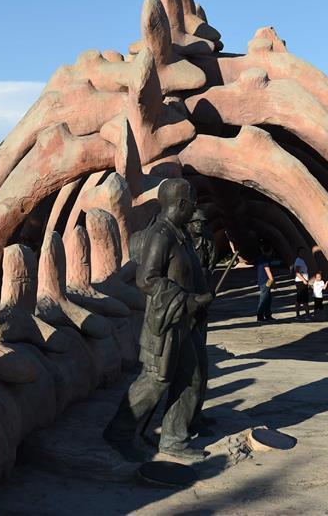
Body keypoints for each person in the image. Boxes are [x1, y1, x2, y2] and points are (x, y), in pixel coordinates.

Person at [104, 179, 213, 462]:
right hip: (165, 322)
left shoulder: (180, 234)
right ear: (181, 204)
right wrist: (186, 300)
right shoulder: (161, 235)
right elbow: (147, 279)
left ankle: (174, 439)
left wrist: (199, 299)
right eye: (192, 204)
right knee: (155, 380)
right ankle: (119, 433)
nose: (194, 210)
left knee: (190, 377)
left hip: (183, 321)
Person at [186, 208, 216, 436]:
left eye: (202, 222)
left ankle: (197, 412)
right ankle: (188, 416)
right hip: (187, 305)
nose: (199, 225)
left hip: (202, 302)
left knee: (202, 363)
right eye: (196, 222)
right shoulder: (182, 243)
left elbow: (211, 265)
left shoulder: (208, 242)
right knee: (190, 367)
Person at [256, 242, 275, 322]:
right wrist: (273, 282)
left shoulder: (260, 258)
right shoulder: (265, 259)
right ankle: (260, 316)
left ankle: (268, 315)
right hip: (266, 281)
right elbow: (268, 271)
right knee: (264, 298)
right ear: (269, 251)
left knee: (268, 298)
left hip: (264, 281)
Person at [292, 248, 310, 319]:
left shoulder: (301, 260)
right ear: (299, 253)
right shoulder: (298, 260)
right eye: (302, 252)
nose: (304, 253)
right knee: (304, 299)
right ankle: (307, 315)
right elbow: (297, 272)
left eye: (304, 252)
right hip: (301, 282)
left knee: (299, 299)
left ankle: (298, 315)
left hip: (301, 281)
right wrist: (304, 280)